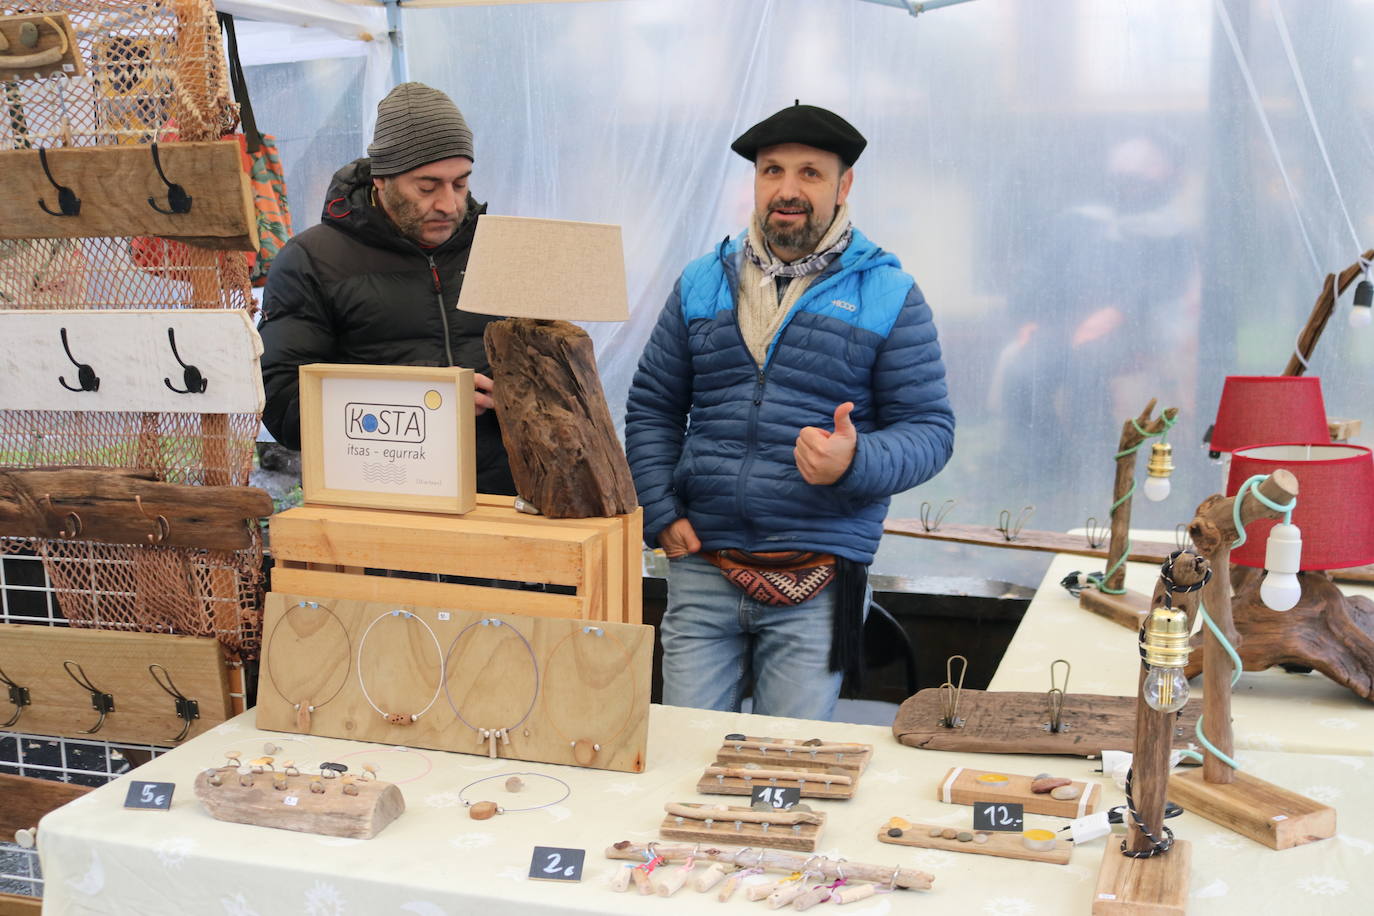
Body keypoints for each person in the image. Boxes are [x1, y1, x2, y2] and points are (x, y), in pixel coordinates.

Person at [624, 103, 955, 720]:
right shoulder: (701, 281)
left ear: (843, 185)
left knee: (782, 769)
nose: (788, 190)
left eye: (809, 173)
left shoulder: (889, 293)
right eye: (772, 171)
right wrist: (662, 513)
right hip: (701, 565)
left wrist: (854, 460)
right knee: (685, 757)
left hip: (819, 580)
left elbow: (931, 431)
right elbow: (652, 408)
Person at [258, 82, 516, 496]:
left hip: (500, 502)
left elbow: (547, 368)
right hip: (380, 504)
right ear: (382, 180)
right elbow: (286, 405)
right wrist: (427, 400)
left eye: (461, 184)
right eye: (427, 187)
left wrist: (522, 394)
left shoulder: (500, 249)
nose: (449, 204)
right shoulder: (312, 261)